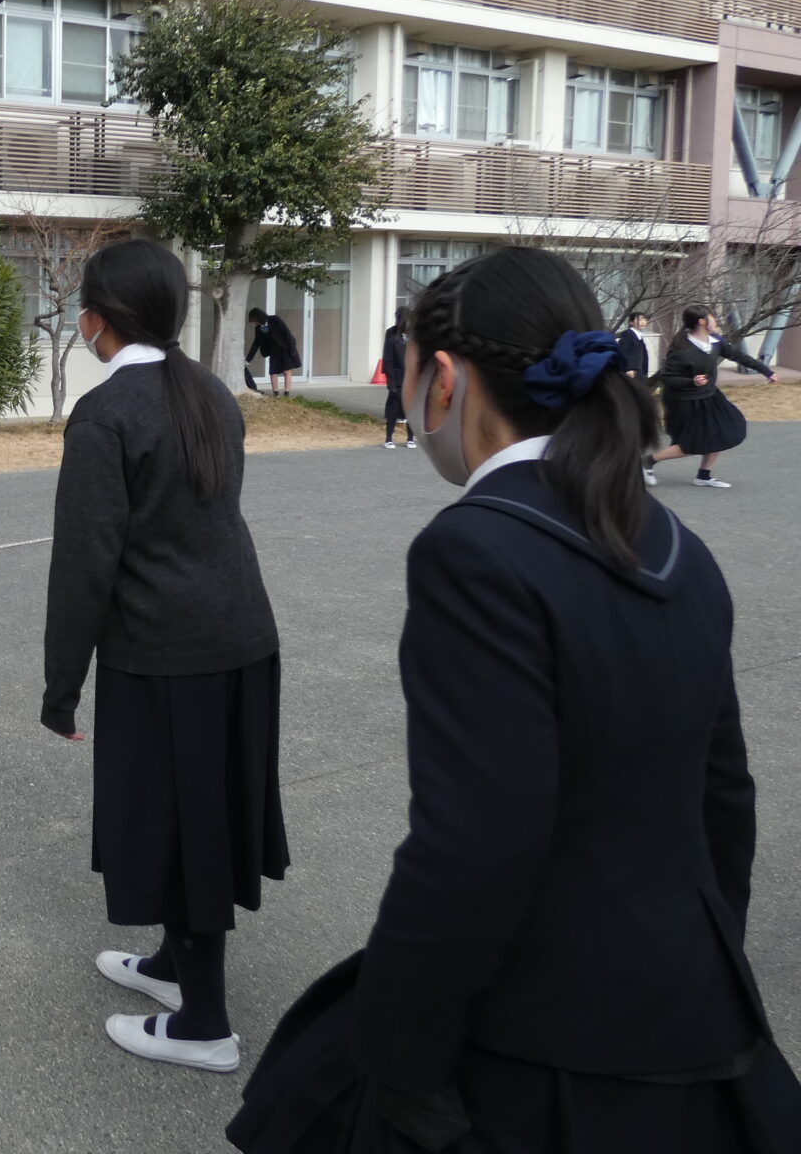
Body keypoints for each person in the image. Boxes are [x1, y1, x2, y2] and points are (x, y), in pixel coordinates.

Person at [228, 246, 801, 1154]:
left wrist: (403, 1061)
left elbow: (475, 841)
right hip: (694, 1013)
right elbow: (723, 796)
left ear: (443, 379)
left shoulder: (478, 548)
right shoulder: (669, 541)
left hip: (543, 1030)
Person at [42, 239, 286, 1075]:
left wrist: (60, 688)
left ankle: (205, 1025)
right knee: (199, 816)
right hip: (241, 639)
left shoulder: (107, 412)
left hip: (168, 654)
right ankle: (174, 967)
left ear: (96, 319)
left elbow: (85, 564)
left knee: (181, 828)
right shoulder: (210, 391)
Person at [646, 306, 778, 490]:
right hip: (686, 401)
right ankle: (647, 462)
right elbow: (667, 377)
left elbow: (738, 356)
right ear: (702, 322)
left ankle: (704, 476)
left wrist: (766, 371)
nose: (716, 320)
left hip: (710, 396)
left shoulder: (716, 341)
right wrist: (691, 381)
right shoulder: (682, 349)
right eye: (713, 317)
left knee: (722, 431)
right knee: (692, 444)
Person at [247, 307, 303, 397]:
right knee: (273, 372)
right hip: (273, 351)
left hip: (285, 348)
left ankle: (286, 393)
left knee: (287, 371)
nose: (255, 323)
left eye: (255, 321)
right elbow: (256, 344)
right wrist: (248, 360)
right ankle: (275, 393)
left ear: (259, 318)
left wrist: (292, 349)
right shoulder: (259, 328)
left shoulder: (274, 319)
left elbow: (286, 333)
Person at [380, 307, 414, 450]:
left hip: (412, 379)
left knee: (411, 410)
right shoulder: (391, 333)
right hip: (397, 378)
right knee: (393, 409)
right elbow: (388, 359)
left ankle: (410, 438)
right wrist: (391, 383)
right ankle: (389, 439)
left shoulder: (415, 335)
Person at [617, 309, 652, 381]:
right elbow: (622, 352)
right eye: (639, 320)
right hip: (631, 373)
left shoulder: (639, 336)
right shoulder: (627, 334)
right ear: (631, 322)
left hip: (640, 372)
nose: (643, 322)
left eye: (644, 320)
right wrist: (628, 369)